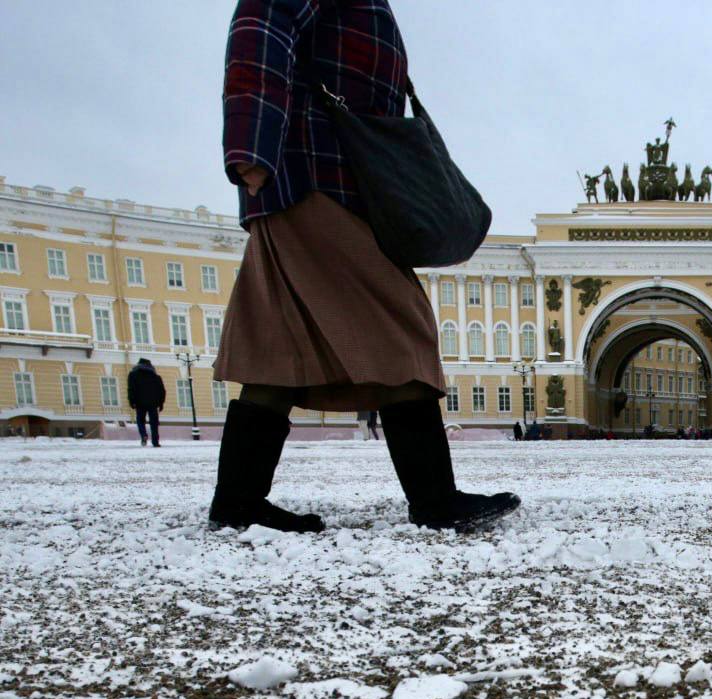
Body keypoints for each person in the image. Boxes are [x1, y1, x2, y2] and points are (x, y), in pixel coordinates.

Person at [210, 0, 519, 533]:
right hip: (318, 176)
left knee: (279, 349)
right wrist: (250, 149)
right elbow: (261, 26)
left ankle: (238, 500)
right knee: (402, 328)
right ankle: (434, 497)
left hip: (317, 176)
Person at [127, 357, 166, 448]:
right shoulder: (156, 377)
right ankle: (155, 441)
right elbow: (162, 391)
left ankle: (144, 435)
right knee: (154, 423)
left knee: (140, 421)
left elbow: (131, 389)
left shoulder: (133, 375)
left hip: (139, 402)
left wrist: (131, 401)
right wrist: (161, 403)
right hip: (153, 403)